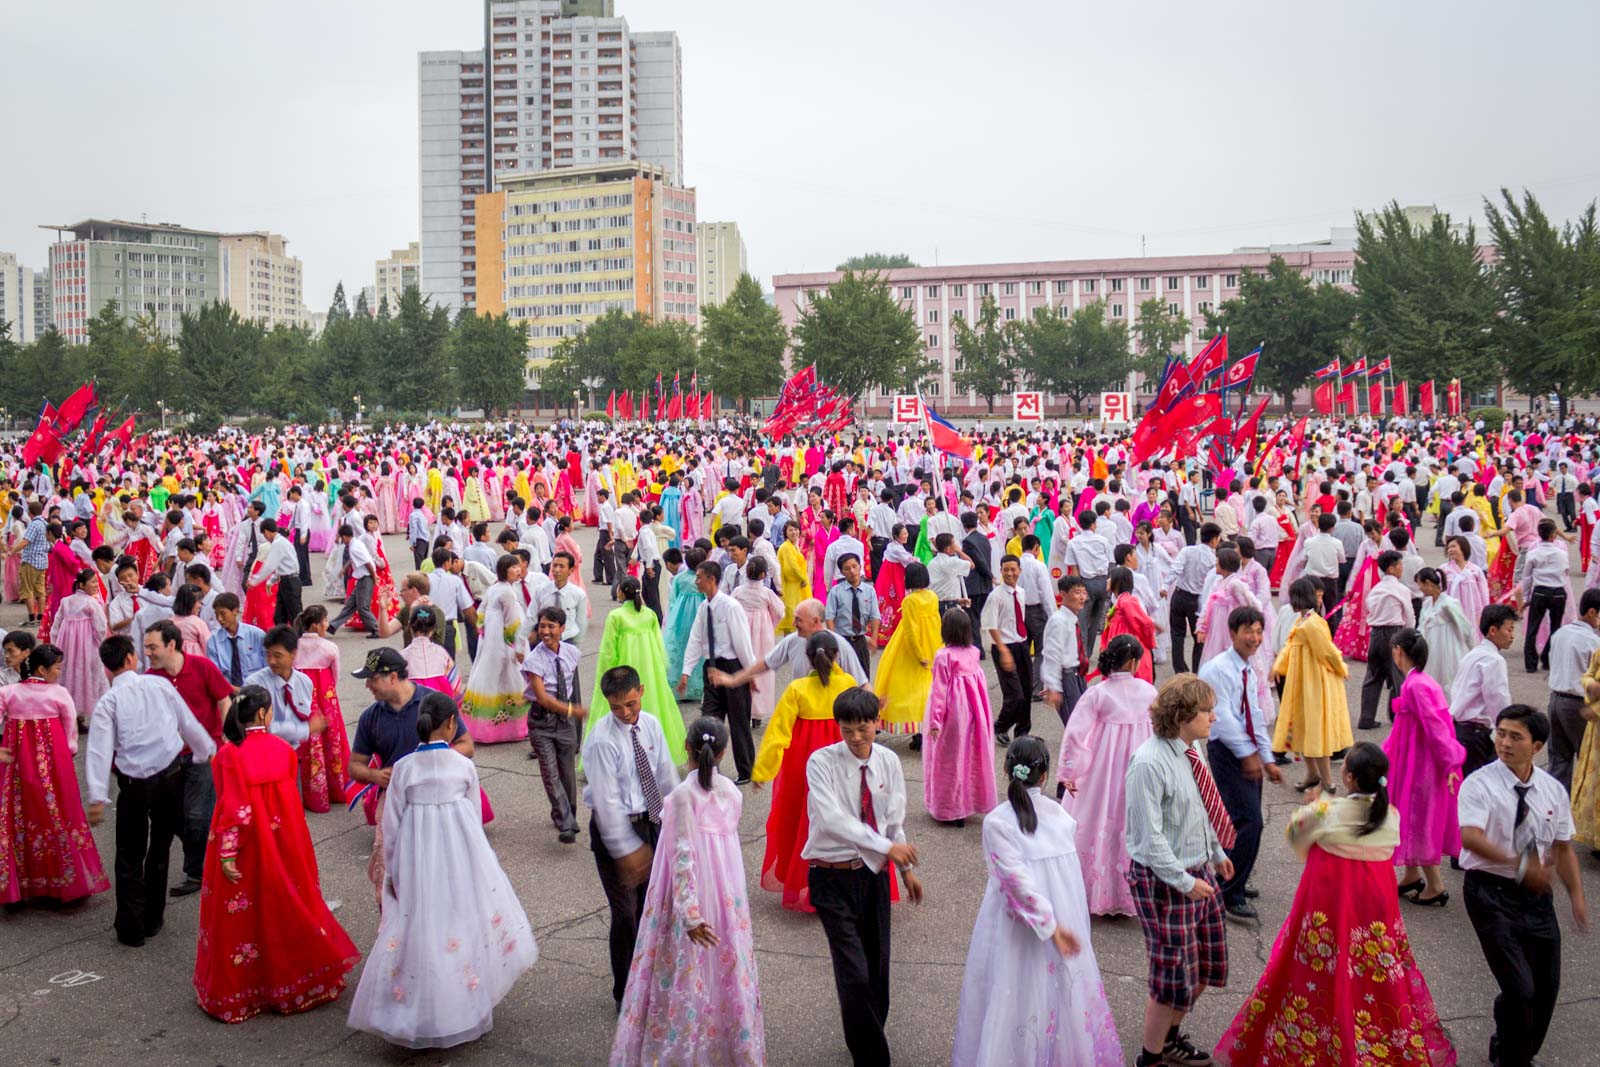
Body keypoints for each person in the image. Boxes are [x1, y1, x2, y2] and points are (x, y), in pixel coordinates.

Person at [1216, 742, 1455, 1067]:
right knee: (1373, 968)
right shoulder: (1390, 816)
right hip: (1373, 903)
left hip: (1327, 903)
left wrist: (1313, 806)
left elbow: (1296, 836)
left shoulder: (1326, 811)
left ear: (1350, 778)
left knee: (1315, 969)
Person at [346, 694, 537, 1048]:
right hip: (460, 858)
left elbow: (391, 826)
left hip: (417, 861)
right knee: (459, 923)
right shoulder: (462, 766)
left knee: (421, 925)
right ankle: (463, 1007)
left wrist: (392, 872)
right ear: (451, 724)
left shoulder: (403, 768)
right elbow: (475, 815)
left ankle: (418, 1009)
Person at [952, 734, 1121, 1066]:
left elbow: (1014, 882)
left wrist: (1049, 925)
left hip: (1015, 928)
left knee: (1012, 990)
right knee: (1061, 992)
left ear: (1006, 768)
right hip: (1061, 918)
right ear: (1044, 775)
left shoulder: (998, 822)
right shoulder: (1059, 816)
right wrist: (1055, 925)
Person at [193, 686, 359, 1021]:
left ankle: (244, 991)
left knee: (243, 915)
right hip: (284, 840)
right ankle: (299, 982)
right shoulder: (283, 749)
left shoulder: (228, 754)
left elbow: (234, 808)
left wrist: (227, 853)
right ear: (264, 714)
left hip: (247, 845)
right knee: (287, 903)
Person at [611, 716, 766, 1065]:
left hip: (689, 897)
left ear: (686, 747)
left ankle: (682, 1047)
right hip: (726, 893)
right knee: (724, 966)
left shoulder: (681, 796)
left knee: (683, 968)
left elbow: (683, 857)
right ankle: (728, 1044)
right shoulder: (732, 793)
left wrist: (690, 914)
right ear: (724, 752)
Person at [1458, 704, 1590, 1067]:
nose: (1504, 742)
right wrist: (1518, 863)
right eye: (1500, 733)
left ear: (1537, 746)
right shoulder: (1479, 783)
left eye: (1515, 736)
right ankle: (1513, 1058)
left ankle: (1514, 1045)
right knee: (1520, 989)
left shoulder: (1552, 791)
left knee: (1545, 988)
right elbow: (1470, 837)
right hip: (1489, 893)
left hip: (1535, 897)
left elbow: (1562, 848)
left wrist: (1576, 897)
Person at [804, 686, 923, 1065]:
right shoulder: (820, 763)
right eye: (847, 729)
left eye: (863, 728)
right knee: (853, 971)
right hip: (830, 877)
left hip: (872, 876)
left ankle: (865, 1032)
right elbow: (833, 821)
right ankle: (873, 1057)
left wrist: (905, 870)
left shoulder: (888, 762)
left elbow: (893, 820)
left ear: (877, 723)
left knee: (877, 969)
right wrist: (888, 849)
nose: (855, 737)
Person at [1124, 674, 1235, 1067]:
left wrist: (1216, 851)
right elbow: (1149, 839)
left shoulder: (1192, 749)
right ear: (1184, 714)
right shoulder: (1148, 763)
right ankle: (1150, 1058)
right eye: (1207, 710)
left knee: (1207, 966)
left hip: (1198, 872)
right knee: (1170, 979)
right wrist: (1185, 882)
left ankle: (1169, 1038)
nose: (1214, 717)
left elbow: (1201, 809)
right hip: (1165, 882)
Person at [85, 634, 215, 946]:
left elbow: (99, 750)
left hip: (134, 784)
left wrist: (98, 796)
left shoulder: (109, 702)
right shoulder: (159, 685)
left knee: (129, 855)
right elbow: (187, 722)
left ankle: (131, 927)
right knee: (159, 848)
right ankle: (153, 917)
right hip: (169, 777)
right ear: (131, 658)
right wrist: (204, 750)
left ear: (107, 668)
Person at [583, 664, 682, 1010]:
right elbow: (607, 806)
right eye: (616, 707)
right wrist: (627, 851)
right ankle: (625, 992)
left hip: (651, 822)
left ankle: (650, 981)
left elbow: (666, 776)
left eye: (630, 703)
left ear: (640, 690)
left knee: (650, 910)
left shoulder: (651, 725)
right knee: (625, 913)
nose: (625, 713)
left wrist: (679, 823)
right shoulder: (601, 741)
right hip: (616, 834)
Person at [346, 648, 474, 907]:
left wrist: (429, 760)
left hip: (435, 798)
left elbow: (466, 746)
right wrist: (374, 774)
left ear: (393, 677)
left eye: (372, 679)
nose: (368, 685)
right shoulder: (371, 717)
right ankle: (392, 925)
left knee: (439, 864)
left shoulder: (433, 704)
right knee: (388, 864)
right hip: (392, 799)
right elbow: (354, 766)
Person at [751, 633, 859, 912]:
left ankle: (808, 882)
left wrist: (763, 770)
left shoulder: (797, 689)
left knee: (805, 819)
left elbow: (778, 733)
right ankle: (847, 882)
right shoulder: (847, 683)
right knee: (847, 814)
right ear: (837, 656)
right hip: (842, 757)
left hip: (805, 761)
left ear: (807, 658)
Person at [0, 644, 110, 908]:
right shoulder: (58, 693)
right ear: (42, 669)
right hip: (53, 762)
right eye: (58, 667)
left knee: (19, 816)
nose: (60, 672)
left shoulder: (8, 692)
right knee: (58, 813)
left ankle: (20, 885)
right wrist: (69, 749)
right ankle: (64, 882)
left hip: (16, 764)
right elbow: (70, 728)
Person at [1056, 634, 1157, 917]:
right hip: (1140, 767)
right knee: (1132, 820)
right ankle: (1130, 893)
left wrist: (1068, 772)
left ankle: (1092, 890)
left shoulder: (1098, 693)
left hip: (1102, 768)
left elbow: (1075, 735)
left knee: (1097, 817)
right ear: (1135, 661)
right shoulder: (1148, 692)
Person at [1197, 606, 1282, 921]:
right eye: (1249, 631)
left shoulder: (1247, 667)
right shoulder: (1218, 668)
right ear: (1232, 633)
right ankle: (1228, 890)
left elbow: (1254, 714)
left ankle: (1237, 878)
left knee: (1244, 821)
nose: (1255, 638)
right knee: (1248, 821)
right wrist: (1248, 755)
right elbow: (1226, 720)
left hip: (1246, 751)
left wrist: (1267, 756)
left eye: (1259, 631)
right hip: (1228, 751)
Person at [142, 620, 234, 899]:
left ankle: (197, 872)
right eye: (146, 647)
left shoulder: (202, 666)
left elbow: (223, 698)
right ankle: (209, 856)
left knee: (196, 814)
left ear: (171, 644)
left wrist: (226, 737)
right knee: (176, 817)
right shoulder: (151, 677)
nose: (147, 652)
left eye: (152, 646)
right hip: (169, 757)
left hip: (204, 754)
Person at [1380, 628, 1467, 909]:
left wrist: (1450, 760)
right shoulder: (1420, 681)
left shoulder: (1415, 685)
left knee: (1418, 818)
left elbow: (1436, 727)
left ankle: (1435, 886)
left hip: (1422, 764)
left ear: (1398, 652)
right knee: (1411, 815)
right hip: (1418, 759)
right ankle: (1412, 875)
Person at [677, 562, 757, 783]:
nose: (696, 581)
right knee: (709, 720)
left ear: (712, 579)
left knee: (739, 721)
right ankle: (707, 768)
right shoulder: (704, 607)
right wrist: (686, 671)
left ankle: (746, 770)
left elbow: (743, 643)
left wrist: (749, 674)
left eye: (699, 577)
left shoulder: (731, 607)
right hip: (711, 669)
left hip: (733, 669)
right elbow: (696, 639)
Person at [1272, 578, 1352, 795]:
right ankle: (1312, 774)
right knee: (1303, 727)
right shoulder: (1303, 620)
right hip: (1302, 681)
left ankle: (1325, 778)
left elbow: (1327, 651)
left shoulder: (1312, 623)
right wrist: (1279, 666)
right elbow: (1289, 646)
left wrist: (1341, 668)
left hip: (1314, 682)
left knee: (1315, 728)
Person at [594, 575, 686, 759]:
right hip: (649, 670)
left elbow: (608, 651)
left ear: (620, 592)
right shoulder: (649, 614)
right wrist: (660, 668)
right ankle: (655, 754)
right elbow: (660, 646)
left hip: (624, 670)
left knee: (621, 709)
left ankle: (620, 755)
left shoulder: (616, 617)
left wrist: (606, 672)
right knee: (653, 706)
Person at [923, 607, 998, 826]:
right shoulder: (974, 652)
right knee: (971, 756)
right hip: (975, 713)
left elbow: (939, 692)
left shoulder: (943, 656)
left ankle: (950, 806)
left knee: (949, 759)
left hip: (953, 714)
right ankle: (971, 801)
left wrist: (935, 721)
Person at [521, 605, 584, 844]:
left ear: (562, 629)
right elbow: (543, 698)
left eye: (551, 626)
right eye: (542, 626)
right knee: (550, 772)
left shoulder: (571, 653)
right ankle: (566, 822)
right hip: (542, 722)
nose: (545, 631)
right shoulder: (534, 660)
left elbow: (572, 687)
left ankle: (567, 813)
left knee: (567, 772)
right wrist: (572, 710)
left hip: (565, 722)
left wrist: (574, 718)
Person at [290, 606, 356, 812]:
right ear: (317, 624)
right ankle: (336, 789)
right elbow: (335, 675)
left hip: (302, 695)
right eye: (326, 621)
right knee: (332, 741)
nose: (327, 625)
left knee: (308, 743)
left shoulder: (294, 646)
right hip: (325, 695)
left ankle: (311, 793)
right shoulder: (329, 647)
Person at [460, 554, 530, 744]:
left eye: (518, 567)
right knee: (510, 679)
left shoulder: (494, 588)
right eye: (513, 567)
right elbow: (513, 623)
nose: (518, 570)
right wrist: (518, 646)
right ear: (504, 570)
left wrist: (485, 633)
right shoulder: (508, 592)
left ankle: (485, 726)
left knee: (489, 678)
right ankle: (512, 727)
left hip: (490, 642)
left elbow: (480, 613)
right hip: (504, 643)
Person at [872, 561, 939, 744]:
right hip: (932, 645)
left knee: (904, 688)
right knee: (926, 690)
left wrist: (918, 654)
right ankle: (923, 731)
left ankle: (914, 730)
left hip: (910, 650)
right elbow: (936, 623)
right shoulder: (932, 596)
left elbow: (910, 631)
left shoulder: (909, 600)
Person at [1449, 603, 1516, 778]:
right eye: (1509, 630)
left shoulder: (1473, 654)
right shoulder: (1494, 660)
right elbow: (1497, 699)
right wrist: (1506, 729)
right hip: (1476, 733)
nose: (1512, 636)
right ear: (1493, 630)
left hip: (1460, 728)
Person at [1544, 587, 1600, 789]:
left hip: (1555, 700)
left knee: (1559, 760)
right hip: (1578, 704)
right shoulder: (1593, 641)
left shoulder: (1560, 633)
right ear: (1592, 612)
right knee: (1588, 760)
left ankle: (1556, 808)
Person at [985, 555, 1034, 746]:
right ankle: (998, 726)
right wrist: (1003, 651)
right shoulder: (995, 596)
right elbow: (991, 624)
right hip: (1003, 646)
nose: (1010, 573)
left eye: (1013, 569)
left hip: (1021, 644)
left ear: (1020, 570)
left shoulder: (1020, 593)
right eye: (1006, 569)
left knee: (1027, 691)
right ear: (1001, 570)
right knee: (1015, 694)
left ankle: (1022, 732)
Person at [53, 567, 109, 728]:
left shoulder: (66, 601)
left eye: (96, 581)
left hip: (66, 647)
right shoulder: (92, 603)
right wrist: (100, 644)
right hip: (87, 648)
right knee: (88, 677)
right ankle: (90, 714)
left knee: (69, 676)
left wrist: (56, 644)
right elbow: (100, 627)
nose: (96, 585)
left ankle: (72, 715)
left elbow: (56, 626)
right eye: (92, 582)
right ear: (82, 585)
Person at [1040, 576, 1091, 723]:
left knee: (1083, 721)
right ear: (1063, 594)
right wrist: (1053, 686)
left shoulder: (1072, 619)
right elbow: (1052, 655)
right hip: (1067, 677)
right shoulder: (1058, 621)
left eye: (1084, 593)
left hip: (1077, 675)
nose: (1082, 597)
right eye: (1077, 592)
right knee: (1076, 724)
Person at [1416, 566, 1474, 687]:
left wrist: (1472, 649)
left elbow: (1465, 627)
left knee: (1449, 682)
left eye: (1420, 584)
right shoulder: (1427, 604)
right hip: (1432, 649)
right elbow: (1421, 628)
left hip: (1448, 650)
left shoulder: (1449, 603)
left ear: (1428, 583)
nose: (1419, 588)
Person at [326, 524, 381, 637]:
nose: (342, 541)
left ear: (345, 537)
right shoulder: (355, 543)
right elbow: (353, 560)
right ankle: (333, 625)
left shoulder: (355, 547)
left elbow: (367, 563)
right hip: (363, 578)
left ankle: (376, 629)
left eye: (342, 538)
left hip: (366, 578)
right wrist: (345, 569)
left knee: (363, 607)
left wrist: (374, 577)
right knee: (350, 604)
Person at [206, 592, 266, 686]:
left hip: (257, 690)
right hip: (228, 691)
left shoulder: (257, 635)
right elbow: (215, 675)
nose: (219, 619)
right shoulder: (213, 641)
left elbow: (267, 668)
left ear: (235, 611)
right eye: (216, 614)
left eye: (222, 614)